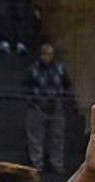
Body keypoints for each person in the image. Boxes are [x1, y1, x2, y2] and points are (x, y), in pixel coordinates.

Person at [23, 44, 71, 173]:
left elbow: (67, 85)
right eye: (44, 54)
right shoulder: (33, 69)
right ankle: (37, 163)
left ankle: (57, 163)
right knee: (35, 137)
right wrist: (31, 102)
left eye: (49, 54)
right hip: (37, 106)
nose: (46, 57)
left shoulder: (60, 69)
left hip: (57, 106)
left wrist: (62, 101)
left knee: (57, 137)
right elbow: (26, 87)